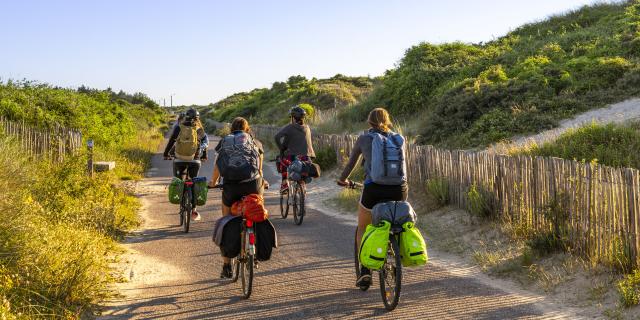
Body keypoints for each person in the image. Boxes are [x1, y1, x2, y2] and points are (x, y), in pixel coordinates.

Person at [337, 108, 408, 288]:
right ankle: (396, 252)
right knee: (396, 223)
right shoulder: (398, 139)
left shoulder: (363, 139)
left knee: (363, 227)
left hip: (374, 189)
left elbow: (351, 164)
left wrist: (343, 180)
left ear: (369, 122)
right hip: (399, 189)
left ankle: (365, 270)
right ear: (388, 120)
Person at [208, 117, 268, 278]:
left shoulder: (225, 141)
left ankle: (226, 265)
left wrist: (213, 182)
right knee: (256, 209)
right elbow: (259, 163)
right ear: (247, 129)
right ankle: (254, 251)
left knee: (226, 220)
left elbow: (218, 163)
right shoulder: (254, 141)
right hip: (253, 183)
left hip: (231, 186)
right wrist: (262, 179)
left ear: (231, 130)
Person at [164, 108, 209, 221]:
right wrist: (203, 156)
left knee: (179, 181)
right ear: (197, 118)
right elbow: (205, 143)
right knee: (193, 181)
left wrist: (166, 154)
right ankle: (194, 210)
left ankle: (180, 199)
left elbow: (171, 142)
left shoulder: (179, 127)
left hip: (179, 160)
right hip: (195, 160)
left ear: (185, 117)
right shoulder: (199, 129)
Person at [274, 105, 316, 193]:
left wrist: (281, 149)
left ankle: (285, 184)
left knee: (281, 160)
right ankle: (303, 183)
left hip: (292, 157)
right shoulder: (307, 128)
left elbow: (277, 137)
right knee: (302, 169)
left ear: (293, 117)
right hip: (307, 157)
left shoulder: (290, 127)